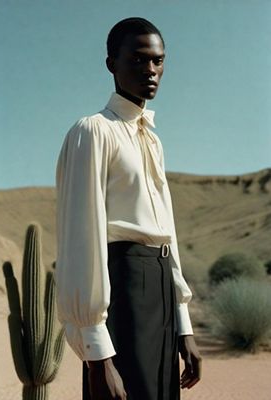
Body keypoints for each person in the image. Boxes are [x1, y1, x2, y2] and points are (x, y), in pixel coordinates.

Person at [55, 17, 202, 400]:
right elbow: (81, 239)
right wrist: (97, 354)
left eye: (158, 61)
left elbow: (166, 229)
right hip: (124, 288)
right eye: (137, 60)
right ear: (111, 64)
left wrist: (182, 324)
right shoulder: (93, 131)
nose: (150, 71)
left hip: (162, 290)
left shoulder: (152, 141)